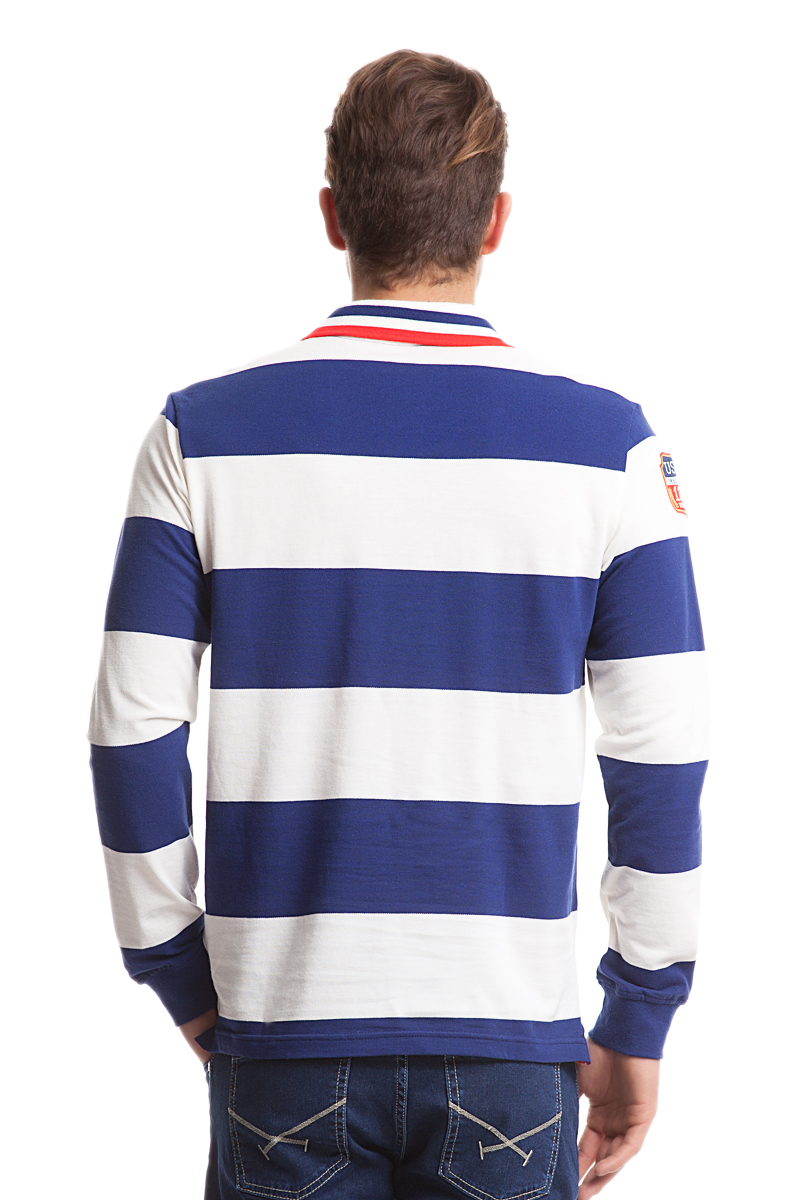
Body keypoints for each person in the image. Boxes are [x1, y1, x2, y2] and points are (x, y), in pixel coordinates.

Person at [88, 49, 708, 1200]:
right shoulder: (610, 449)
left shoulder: (199, 435)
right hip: (511, 1046)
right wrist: (638, 1014)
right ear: (495, 221)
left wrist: (179, 975)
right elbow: (661, 762)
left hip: (282, 1033)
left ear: (333, 213)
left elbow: (130, 736)